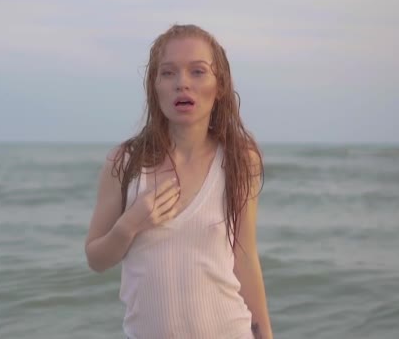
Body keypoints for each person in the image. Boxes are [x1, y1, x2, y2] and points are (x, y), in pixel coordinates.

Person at [84, 24, 273, 339]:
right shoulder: (125, 162)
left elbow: (245, 258)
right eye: (168, 73)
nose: (182, 83)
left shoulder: (240, 160)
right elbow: (96, 259)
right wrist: (129, 225)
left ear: (220, 85)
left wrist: (265, 335)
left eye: (198, 72)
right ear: (154, 85)